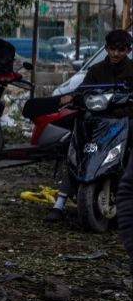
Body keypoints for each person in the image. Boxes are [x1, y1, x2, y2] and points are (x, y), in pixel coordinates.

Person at [48, 29, 133, 222]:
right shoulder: (95, 70)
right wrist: (72, 97)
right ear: (106, 49)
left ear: (128, 50)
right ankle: (60, 201)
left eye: (121, 50)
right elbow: (81, 92)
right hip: (97, 121)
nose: (116, 54)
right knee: (72, 146)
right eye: (112, 49)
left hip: (125, 119)